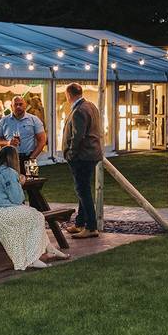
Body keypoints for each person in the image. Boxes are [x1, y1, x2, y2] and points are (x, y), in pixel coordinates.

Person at [0, 145, 67, 269]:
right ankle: (31, 259)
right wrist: (20, 182)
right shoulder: (7, 172)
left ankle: (49, 249)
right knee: (36, 217)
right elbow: (17, 199)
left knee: (31, 215)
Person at [61, 83, 103, 238]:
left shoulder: (79, 110)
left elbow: (77, 136)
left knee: (82, 190)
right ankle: (80, 223)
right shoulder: (90, 106)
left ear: (69, 94)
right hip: (90, 155)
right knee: (83, 188)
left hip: (82, 156)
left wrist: (71, 153)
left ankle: (91, 227)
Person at [0, 96, 47, 174]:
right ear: (11, 106)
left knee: (33, 183)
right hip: (10, 158)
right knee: (11, 183)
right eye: (16, 104)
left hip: (30, 157)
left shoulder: (34, 119)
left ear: (25, 105)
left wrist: (32, 157)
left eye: (20, 104)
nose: (18, 106)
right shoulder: (4, 121)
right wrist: (8, 143)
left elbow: (42, 140)